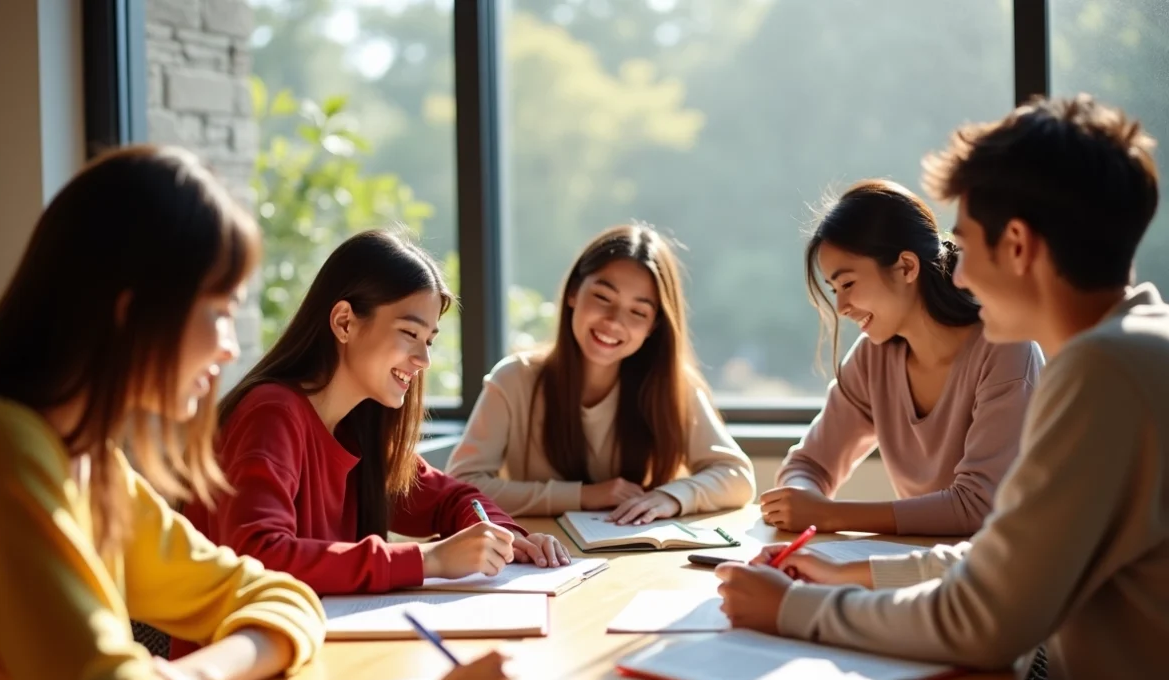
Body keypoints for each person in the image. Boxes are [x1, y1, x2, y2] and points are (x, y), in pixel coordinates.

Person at [0, 147, 511, 680]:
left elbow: (272, 591)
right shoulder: (3, 455)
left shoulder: (90, 460)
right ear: (130, 312)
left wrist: (192, 678)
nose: (230, 345)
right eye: (218, 310)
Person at [717, 95, 1168, 680]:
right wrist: (846, 571)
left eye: (966, 243)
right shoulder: (1133, 343)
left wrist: (797, 607)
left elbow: (985, 620)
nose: (955, 274)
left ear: (1017, 245)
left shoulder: (1103, 373)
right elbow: (1000, 557)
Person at [181, 230, 569, 618]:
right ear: (345, 322)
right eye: (409, 333)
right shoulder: (272, 413)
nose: (423, 359)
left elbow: (452, 498)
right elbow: (260, 554)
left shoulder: (357, 426)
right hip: (240, 663)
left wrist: (506, 538)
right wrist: (428, 559)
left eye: (429, 340)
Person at [761, 179, 1042, 537]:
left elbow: (977, 506)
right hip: (916, 568)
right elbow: (809, 464)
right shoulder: (872, 357)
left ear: (907, 267)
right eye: (834, 290)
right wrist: (801, 499)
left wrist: (829, 516)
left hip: (1002, 577)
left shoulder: (1006, 349)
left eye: (847, 284)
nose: (842, 307)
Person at [447, 223, 755, 524]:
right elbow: (463, 486)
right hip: (540, 557)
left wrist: (672, 497)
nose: (614, 322)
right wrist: (585, 496)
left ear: (653, 327)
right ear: (573, 293)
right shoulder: (514, 380)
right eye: (603, 298)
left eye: (638, 312)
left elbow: (738, 477)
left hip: (638, 559)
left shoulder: (673, 386)